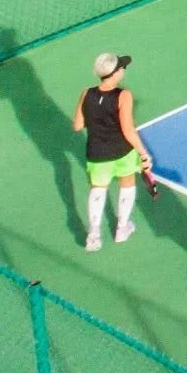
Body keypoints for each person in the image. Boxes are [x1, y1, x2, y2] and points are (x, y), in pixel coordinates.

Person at [72, 53, 152, 252]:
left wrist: (97, 118)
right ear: (116, 73)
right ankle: (122, 229)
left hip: (96, 154)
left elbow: (78, 125)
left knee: (97, 190)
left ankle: (93, 235)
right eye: (122, 67)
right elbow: (128, 130)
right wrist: (144, 154)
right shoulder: (124, 95)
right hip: (122, 152)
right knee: (127, 184)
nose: (124, 69)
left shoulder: (86, 93)